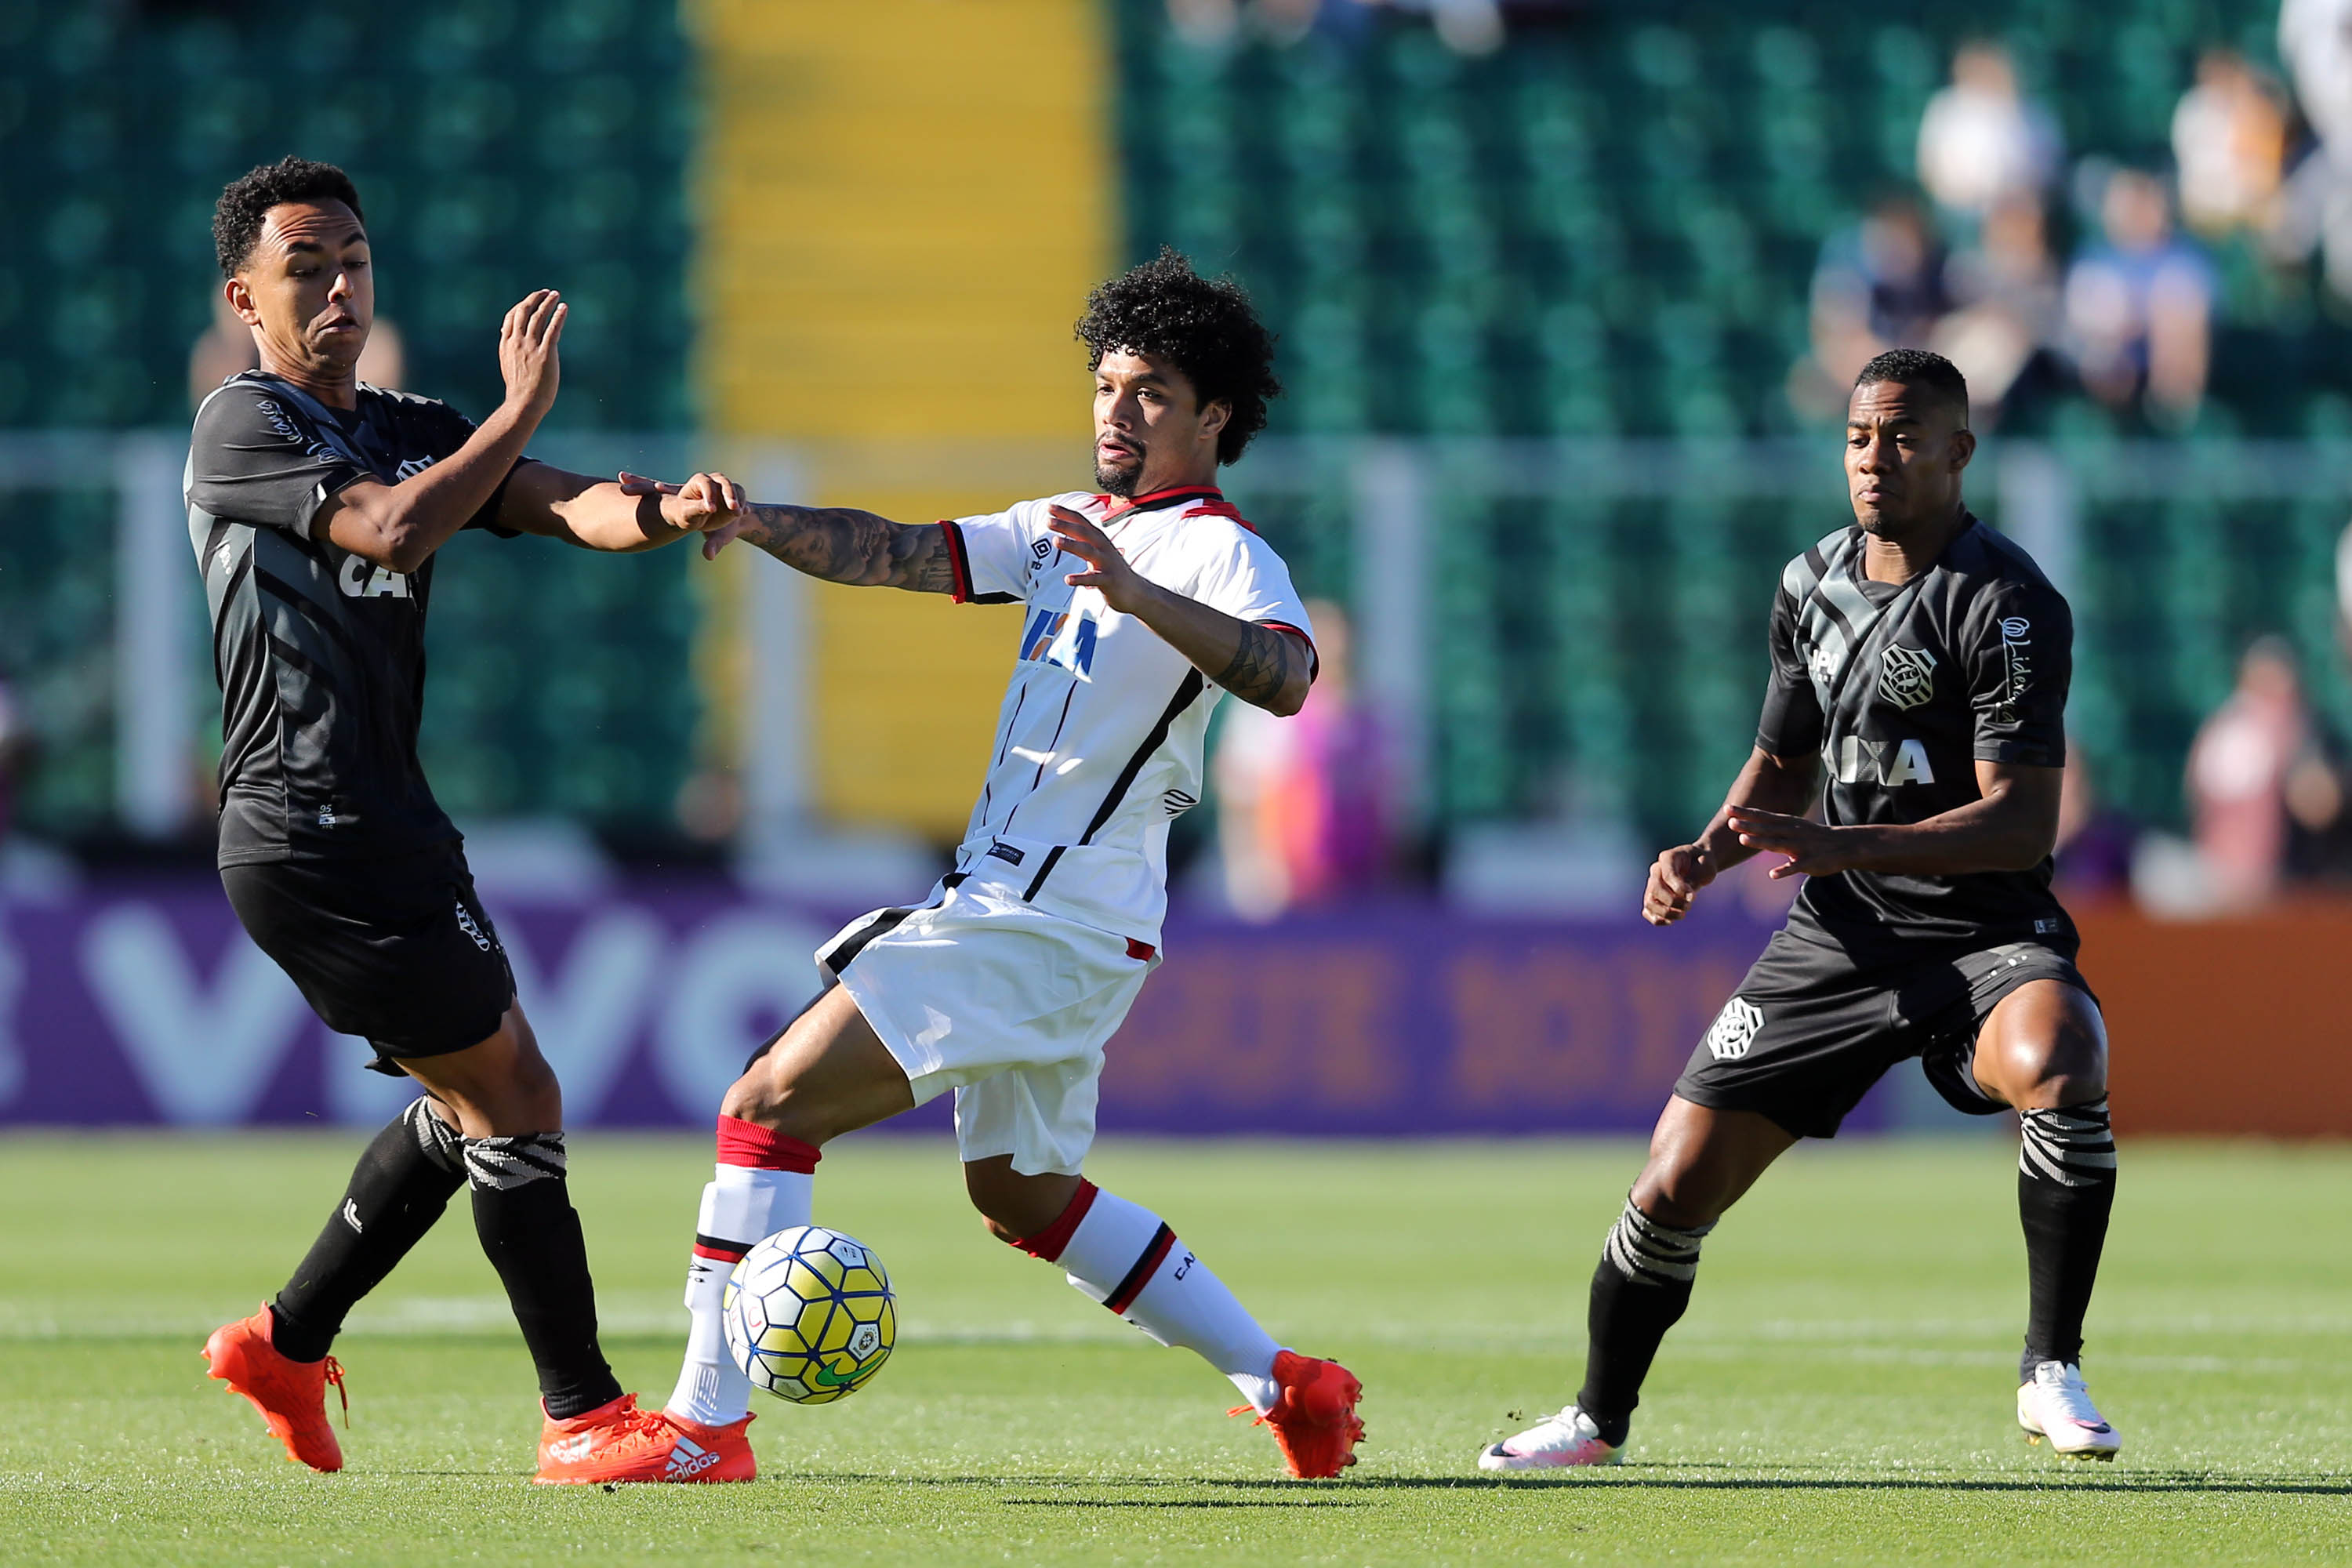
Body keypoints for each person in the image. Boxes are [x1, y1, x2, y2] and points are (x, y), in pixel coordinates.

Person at [598, 249, 1364, 1486]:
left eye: (1152, 393)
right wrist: (756, 521)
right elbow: (896, 550)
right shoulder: (1066, 530)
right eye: (1107, 385)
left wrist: (1140, 595)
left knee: (767, 1104)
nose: (1118, 411)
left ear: (1215, 417)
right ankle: (1287, 1384)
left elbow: (1287, 676)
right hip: (1049, 917)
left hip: (1050, 918)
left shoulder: (1222, 553)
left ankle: (703, 1425)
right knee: (1021, 1193)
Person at [185, 157, 735, 1482]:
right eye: (305, 269)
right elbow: (387, 531)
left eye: (354, 262)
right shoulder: (240, 426)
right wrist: (516, 409)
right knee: (515, 1092)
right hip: (307, 827)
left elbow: (559, 502)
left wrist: (667, 509)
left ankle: (284, 1342)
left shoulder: (412, 423)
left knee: (472, 1097)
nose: (339, 288)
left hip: (390, 821)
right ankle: (582, 1418)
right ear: (245, 299)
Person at [1483, 348, 2122, 1471]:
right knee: (1672, 1182)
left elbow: (2022, 825)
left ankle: (2049, 1369)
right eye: (1860, 437)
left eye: (1905, 437)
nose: (1877, 458)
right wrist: (1709, 849)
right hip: (1840, 935)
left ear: (1960, 452)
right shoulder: (1809, 583)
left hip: (1981, 932)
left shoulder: (2009, 602)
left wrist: (1841, 842)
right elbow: (1782, 761)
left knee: (2063, 1054)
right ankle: (1595, 1419)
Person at [2063, 169, 2216, 426]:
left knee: (2174, 319)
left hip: (2164, 351)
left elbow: (2195, 314)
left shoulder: (2185, 258)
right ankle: (2111, 421)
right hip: (2113, 352)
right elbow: (2084, 319)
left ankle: (2175, 409)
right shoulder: (2095, 259)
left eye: (2144, 205)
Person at [1915, 41, 2061, 223]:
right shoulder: (1945, 107)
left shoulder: (2034, 111)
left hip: (2022, 213)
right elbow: (1930, 172)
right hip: (1960, 214)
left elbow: (2051, 168)